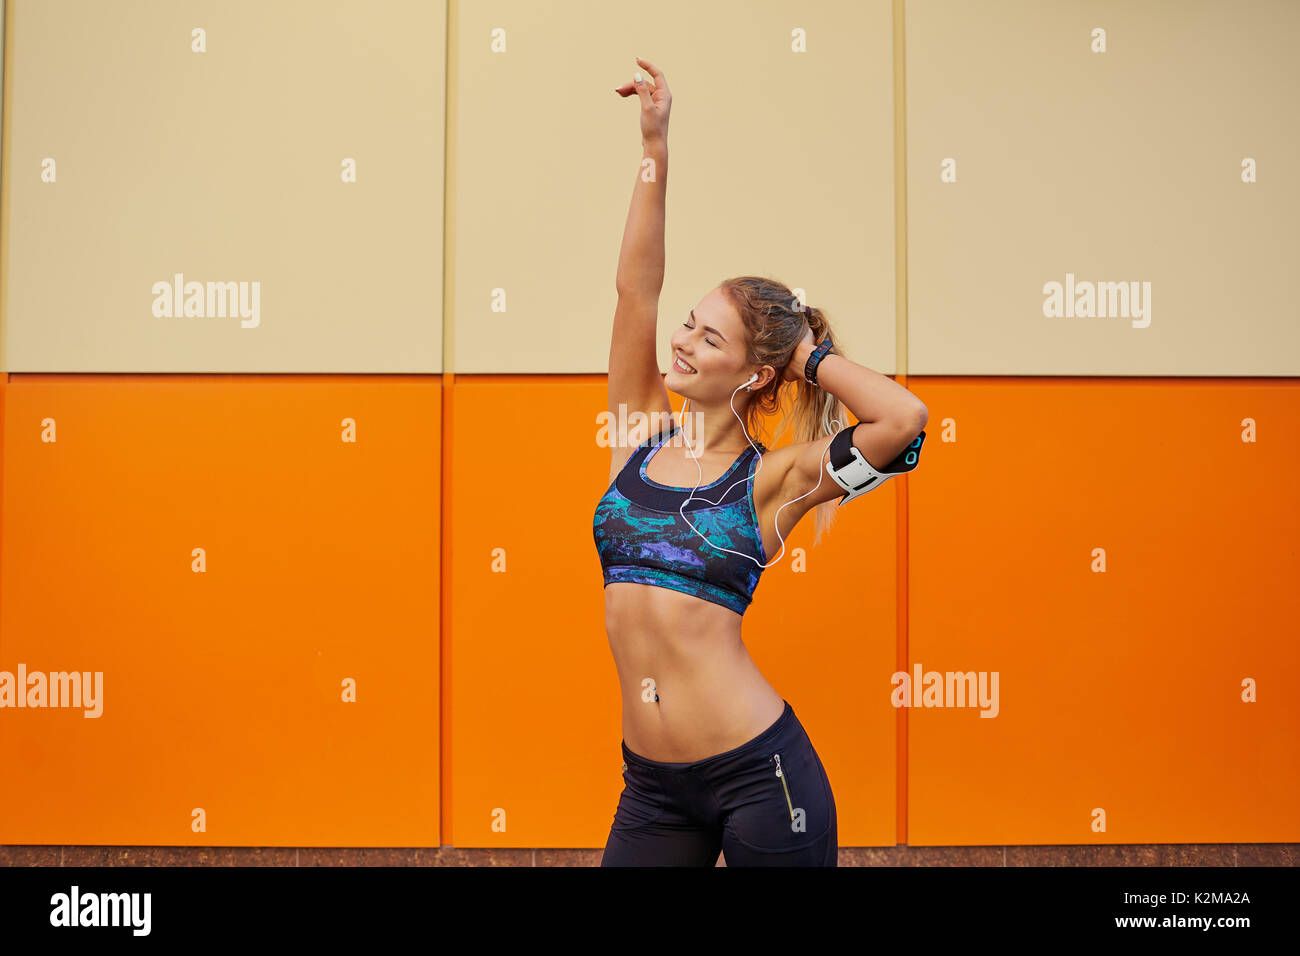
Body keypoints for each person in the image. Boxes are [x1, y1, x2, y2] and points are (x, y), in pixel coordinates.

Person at [596, 58, 928, 866]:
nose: (680, 340)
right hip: (652, 785)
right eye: (690, 323)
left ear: (751, 374)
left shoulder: (773, 481)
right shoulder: (639, 431)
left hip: (763, 780)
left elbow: (904, 422)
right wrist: (654, 144)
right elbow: (636, 292)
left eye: (709, 338)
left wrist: (809, 355)